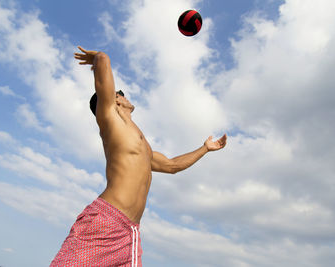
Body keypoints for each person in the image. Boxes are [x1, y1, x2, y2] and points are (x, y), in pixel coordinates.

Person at [50, 46, 227, 267]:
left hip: (129, 234)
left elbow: (172, 166)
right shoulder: (110, 122)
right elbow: (104, 60)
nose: (126, 96)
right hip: (106, 221)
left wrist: (204, 148)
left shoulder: (142, 144)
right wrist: (97, 58)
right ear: (115, 100)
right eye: (121, 94)